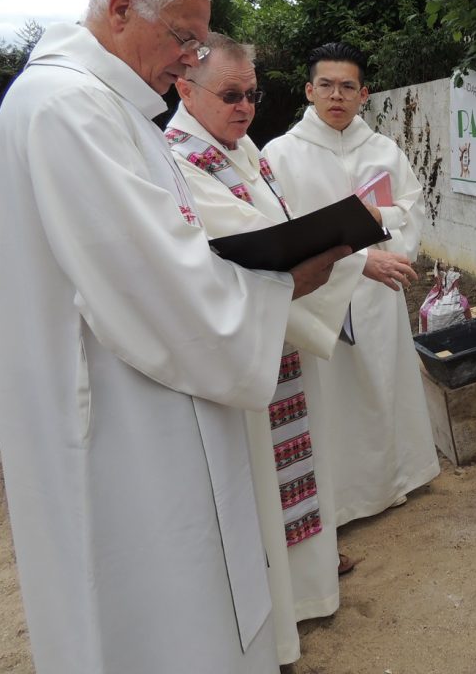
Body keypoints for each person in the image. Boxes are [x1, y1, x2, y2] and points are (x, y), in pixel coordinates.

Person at [0, 0, 348, 674]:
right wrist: (285, 281)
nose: (192, 59)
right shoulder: (67, 109)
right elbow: (157, 283)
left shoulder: (107, 107)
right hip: (121, 428)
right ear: (120, 10)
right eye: (185, 39)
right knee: (149, 616)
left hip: (149, 400)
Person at [164, 33, 414, 666]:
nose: (245, 105)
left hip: (309, 318)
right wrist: (354, 255)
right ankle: (284, 610)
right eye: (230, 94)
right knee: (272, 475)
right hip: (267, 331)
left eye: (251, 93)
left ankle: (313, 579)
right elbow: (259, 238)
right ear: (184, 88)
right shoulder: (183, 160)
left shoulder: (244, 149)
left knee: (314, 454)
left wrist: (363, 248)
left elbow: (386, 213)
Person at [264, 42, 440, 528]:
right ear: (308, 90)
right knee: (332, 399)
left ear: (364, 94)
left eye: (347, 86)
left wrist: (377, 218)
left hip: (379, 294)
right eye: (326, 85)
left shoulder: (384, 151)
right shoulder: (280, 155)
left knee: (384, 383)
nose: (336, 96)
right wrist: (359, 254)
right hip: (321, 298)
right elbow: (282, 229)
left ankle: (396, 481)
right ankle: (341, 502)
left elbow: (412, 208)